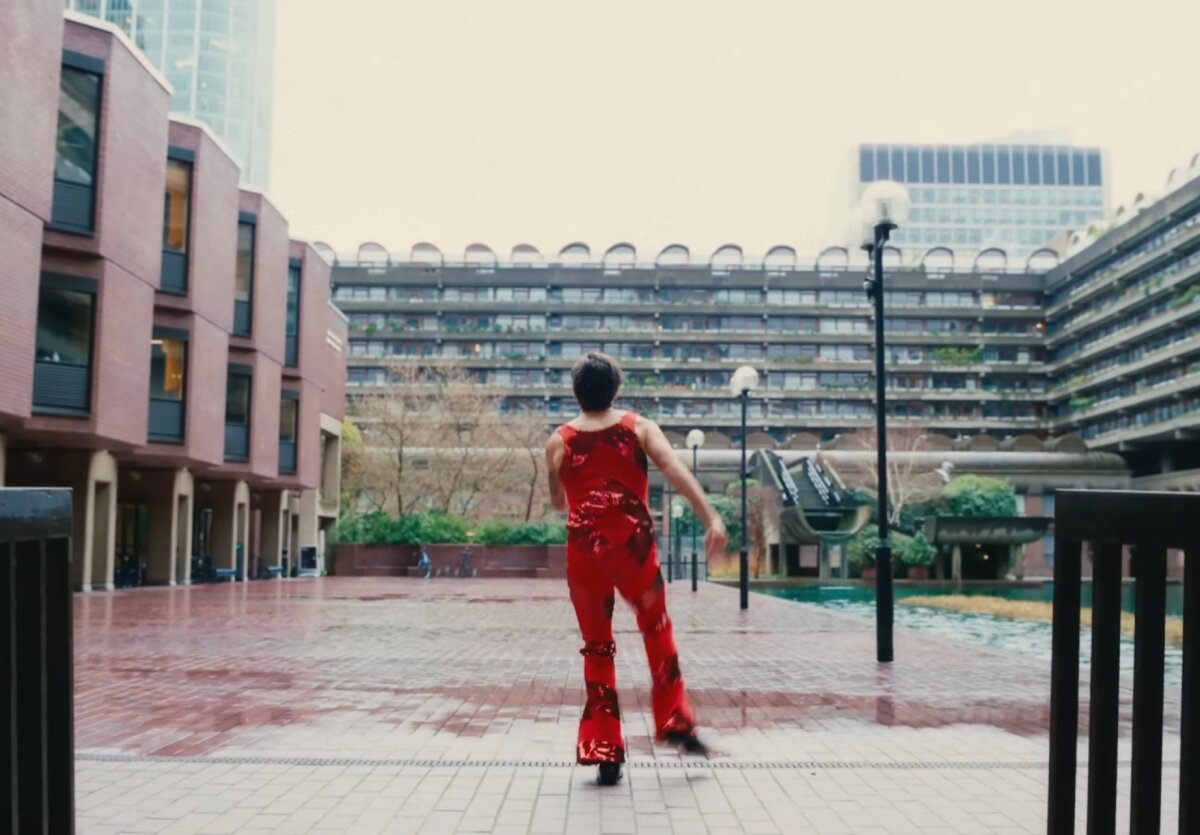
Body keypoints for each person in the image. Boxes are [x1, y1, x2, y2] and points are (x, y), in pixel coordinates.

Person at [545, 352, 728, 787]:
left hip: (585, 552)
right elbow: (674, 470)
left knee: (597, 647)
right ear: (616, 389)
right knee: (656, 628)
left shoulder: (559, 441)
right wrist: (711, 518)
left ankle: (605, 750)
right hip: (633, 548)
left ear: (576, 392)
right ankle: (677, 723)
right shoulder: (640, 428)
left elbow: (557, 503)